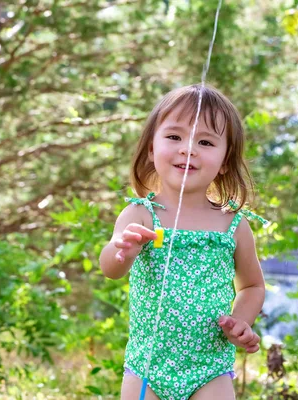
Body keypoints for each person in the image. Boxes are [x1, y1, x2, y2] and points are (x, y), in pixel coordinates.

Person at [99, 84, 266, 400]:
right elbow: (111, 268)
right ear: (151, 148)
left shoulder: (232, 224)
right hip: (147, 368)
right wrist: (123, 251)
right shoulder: (140, 214)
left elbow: (253, 286)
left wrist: (241, 321)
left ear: (225, 160)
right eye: (174, 137)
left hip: (210, 369)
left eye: (205, 141)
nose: (188, 149)